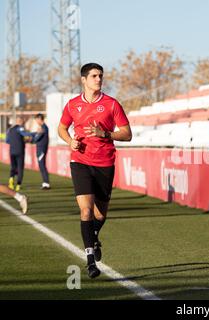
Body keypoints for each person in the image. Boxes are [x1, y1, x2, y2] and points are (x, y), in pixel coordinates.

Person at [58, 63, 132, 279]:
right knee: (86, 211)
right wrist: (70, 141)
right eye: (94, 76)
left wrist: (105, 133)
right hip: (80, 161)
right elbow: (62, 128)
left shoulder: (111, 104)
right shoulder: (73, 104)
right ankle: (90, 262)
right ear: (84, 79)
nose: (98, 79)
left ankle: (95, 233)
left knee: (100, 214)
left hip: (105, 163)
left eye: (101, 75)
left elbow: (127, 134)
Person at [6, 117, 34, 192]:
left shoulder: (10, 130)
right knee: (20, 168)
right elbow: (25, 134)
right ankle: (18, 185)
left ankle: (11, 179)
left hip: (12, 151)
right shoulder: (20, 128)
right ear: (20, 122)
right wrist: (34, 133)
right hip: (20, 151)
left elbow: (7, 141)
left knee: (13, 166)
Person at [32, 113, 50, 190]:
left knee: (42, 165)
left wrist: (34, 138)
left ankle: (46, 183)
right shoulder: (42, 127)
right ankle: (45, 182)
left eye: (36, 119)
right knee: (41, 165)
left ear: (40, 119)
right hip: (40, 149)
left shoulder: (44, 128)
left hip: (42, 149)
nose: (36, 121)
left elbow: (36, 139)